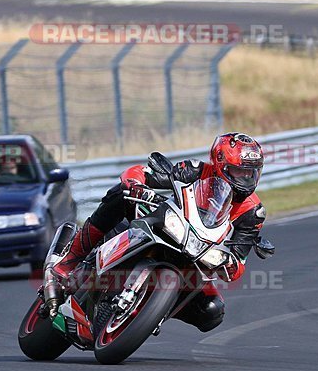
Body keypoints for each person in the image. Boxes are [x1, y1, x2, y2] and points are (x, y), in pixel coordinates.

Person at [51, 132, 267, 332]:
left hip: (199, 258)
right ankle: (70, 258)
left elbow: (239, 263)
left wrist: (228, 263)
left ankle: (152, 310)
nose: (245, 178)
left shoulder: (253, 212)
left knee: (212, 311)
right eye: (239, 171)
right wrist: (136, 184)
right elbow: (139, 173)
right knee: (120, 194)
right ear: (220, 164)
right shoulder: (195, 170)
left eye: (251, 172)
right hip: (166, 226)